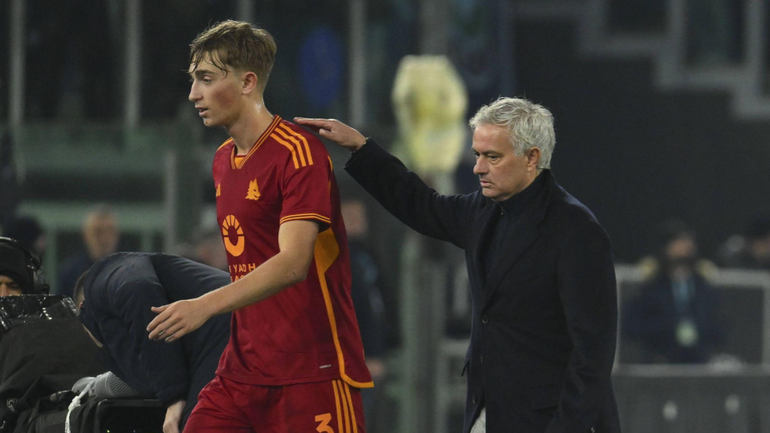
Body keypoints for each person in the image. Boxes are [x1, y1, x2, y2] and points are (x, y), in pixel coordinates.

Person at [295, 97, 620, 433]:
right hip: (489, 411)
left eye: (492, 157)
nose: (479, 167)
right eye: (478, 154)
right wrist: (362, 149)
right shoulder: (484, 209)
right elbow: (422, 205)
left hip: (552, 419)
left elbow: (592, 354)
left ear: (532, 158)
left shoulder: (576, 231)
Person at [146, 20, 372, 433]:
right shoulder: (220, 161)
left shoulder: (298, 152)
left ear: (248, 81)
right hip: (242, 372)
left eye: (206, 79)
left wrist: (203, 306)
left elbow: (292, 264)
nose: (194, 93)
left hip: (312, 370)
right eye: (194, 80)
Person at [77, 252, 231, 433]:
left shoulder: (102, 278)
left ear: (81, 308)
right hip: (246, 330)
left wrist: (174, 397)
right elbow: (147, 372)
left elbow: (137, 287)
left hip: (227, 328)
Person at [622, 220, 723, 364]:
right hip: (659, 360)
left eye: (688, 241)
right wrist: (670, 328)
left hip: (698, 362)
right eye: (678, 241)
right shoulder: (651, 286)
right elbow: (632, 327)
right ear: (666, 246)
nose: (685, 247)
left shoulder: (702, 285)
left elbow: (717, 323)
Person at [57, 204, 120, 298]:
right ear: (86, 235)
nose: (105, 238)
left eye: (109, 231)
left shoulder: (129, 270)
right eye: (98, 232)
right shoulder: (71, 273)